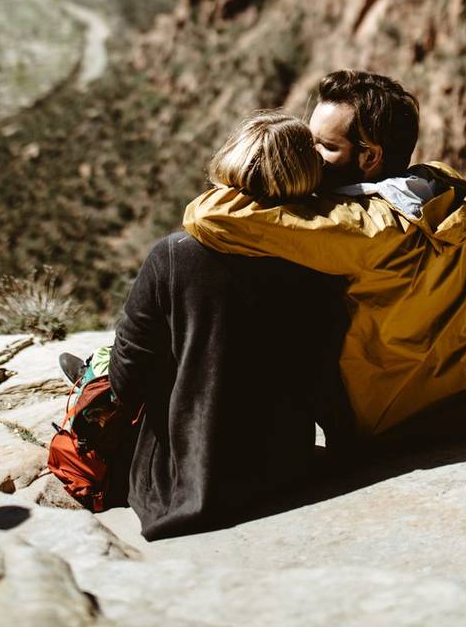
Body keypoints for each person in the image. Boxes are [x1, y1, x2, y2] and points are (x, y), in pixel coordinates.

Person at [184, 70, 466, 449]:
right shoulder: (441, 183)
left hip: (389, 424)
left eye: (324, 146)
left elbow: (207, 216)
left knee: (194, 259)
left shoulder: (360, 228)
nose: (309, 154)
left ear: (370, 156)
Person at [65, 112, 347, 540]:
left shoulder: (175, 255)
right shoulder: (326, 259)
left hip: (186, 479)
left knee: (103, 372)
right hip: (284, 465)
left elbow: (128, 380)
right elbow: (327, 374)